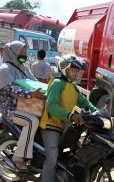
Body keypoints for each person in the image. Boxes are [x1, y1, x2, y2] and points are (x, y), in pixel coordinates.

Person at [39, 54, 97, 182]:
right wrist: (70, 115)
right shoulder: (57, 83)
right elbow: (51, 106)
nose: (77, 73)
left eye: (78, 71)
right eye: (74, 70)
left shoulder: (73, 86)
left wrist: (97, 112)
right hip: (51, 126)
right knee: (52, 156)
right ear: (64, 68)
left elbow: (84, 102)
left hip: (66, 127)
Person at [0, 41, 45, 171]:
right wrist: (32, 94)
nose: (24, 55)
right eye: (21, 53)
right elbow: (12, 89)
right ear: (12, 53)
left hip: (24, 105)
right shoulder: (5, 69)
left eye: (25, 52)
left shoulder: (24, 68)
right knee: (31, 121)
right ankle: (19, 157)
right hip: (9, 108)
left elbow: (34, 82)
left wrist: (47, 91)